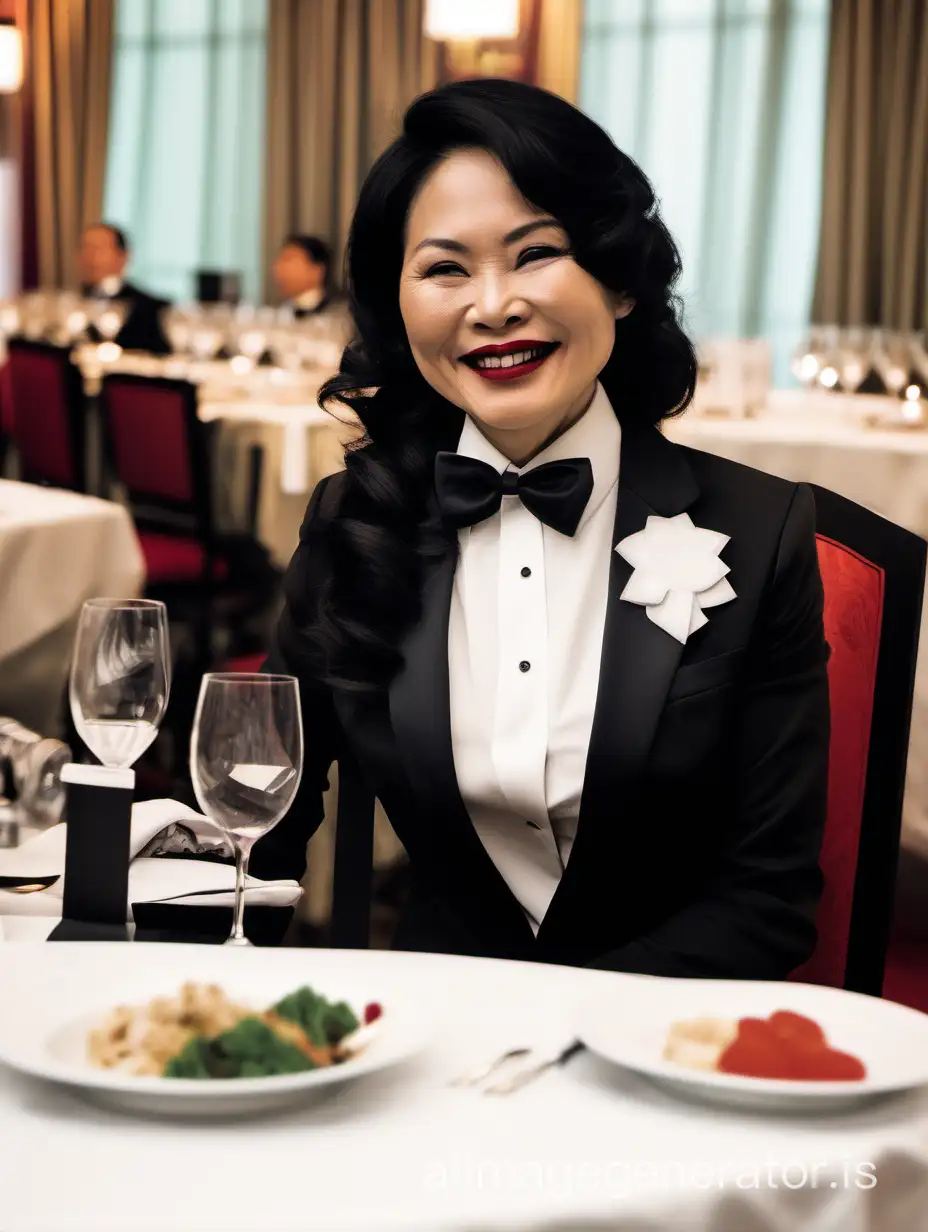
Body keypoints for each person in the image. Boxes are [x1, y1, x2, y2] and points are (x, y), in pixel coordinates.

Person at [260, 79, 830, 980]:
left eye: (536, 254)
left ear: (621, 280)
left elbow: (768, 901)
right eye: (445, 268)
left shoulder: (760, 533)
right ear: (398, 308)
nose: (492, 306)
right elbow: (261, 816)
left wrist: (559, 1032)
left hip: (663, 1046)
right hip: (426, 1042)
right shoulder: (356, 522)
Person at [78, 223, 170, 355]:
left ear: (122, 257)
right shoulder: (71, 305)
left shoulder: (154, 309)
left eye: (97, 249)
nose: (89, 257)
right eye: (85, 248)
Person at [271, 235, 335, 317]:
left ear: (317, 271)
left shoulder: (340, 315)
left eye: (288, 260)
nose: (278, 268)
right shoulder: (280, 313)